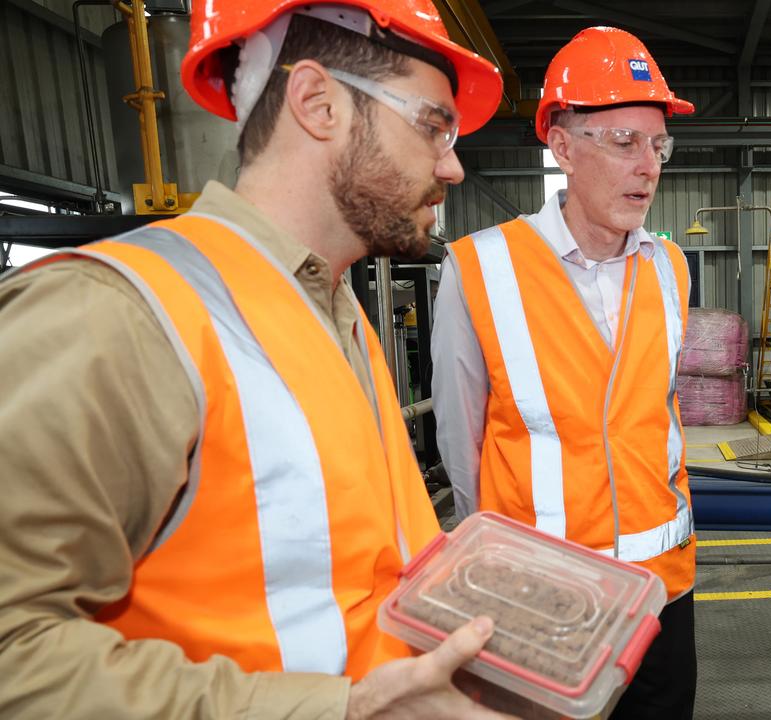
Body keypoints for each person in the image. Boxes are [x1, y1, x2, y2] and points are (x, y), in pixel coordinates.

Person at [0, 1, 515, 717]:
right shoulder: (114, 313)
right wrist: (347, 709)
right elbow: (13, 657)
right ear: (317, 102)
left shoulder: (333, 311)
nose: (453, 165)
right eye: (434, 124)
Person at [431, 26, 698, 720]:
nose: (648, 166)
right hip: (540, 604)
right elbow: (462, 452)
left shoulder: (671, 267)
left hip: (663, 597)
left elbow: (659, 421)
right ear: (562, 147)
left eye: (657, 144)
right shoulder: (480, 270)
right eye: (623, 142)